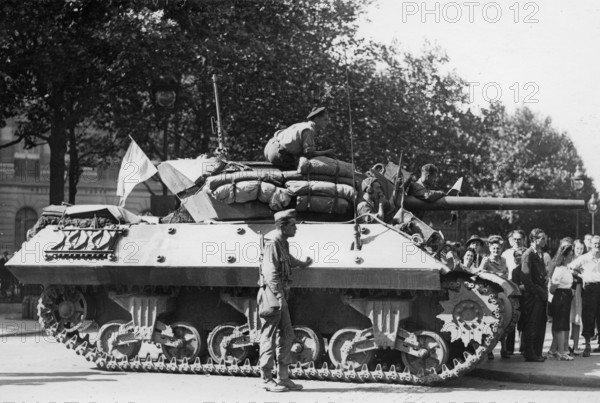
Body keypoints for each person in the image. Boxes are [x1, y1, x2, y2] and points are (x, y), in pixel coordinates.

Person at [257, 209, 312, 392]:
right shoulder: (272, 244)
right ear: (283, 226)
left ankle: (283, 377)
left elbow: (288, 260)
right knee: (269, 338)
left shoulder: (283, 244)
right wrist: (280, 297)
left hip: (280, 296)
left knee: (287, 337)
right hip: (272, 296)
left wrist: (303, 264)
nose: (296, 228)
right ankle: (266, 379)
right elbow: (270, 272)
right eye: (293, 225)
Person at [264, 107, 336, 169]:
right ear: (317, 119)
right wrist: (326, 153)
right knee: (302, 170)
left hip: (269, 148)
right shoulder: (309, 130)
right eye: (325, 119)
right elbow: (309, 154)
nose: (328, 122)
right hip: (278, 153)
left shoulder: (301, 125)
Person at [567, 234, 600, 357]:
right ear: (590, 245)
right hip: (590, 288)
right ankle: (587, 345)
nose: (597, 245)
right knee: (588, 317)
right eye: (595, 243)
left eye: (599, 243)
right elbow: (570, 267)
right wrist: (582, 276)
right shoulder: (585, 258)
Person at [520, 228, 549, 362]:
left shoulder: (539, 254)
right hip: (534, 296)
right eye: (542, 238)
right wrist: (537, 291)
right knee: (532, 324)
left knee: (540, 325)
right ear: (534, 239)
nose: (545, 240)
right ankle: (530, 353)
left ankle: (537, 352)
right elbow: (526, 278)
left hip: (541, 295)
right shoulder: (528, 254)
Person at [478, 235, 509, 359]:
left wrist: (503, 275)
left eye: (498, 248)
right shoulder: (486, 260)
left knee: (505, 319)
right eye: (494, 248)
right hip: (490, 292)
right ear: (490, 248)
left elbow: (506, 272)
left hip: (502, 291)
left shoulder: (503, 260)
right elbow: (480, 272)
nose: (496, 251)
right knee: (491, 321)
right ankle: (489, 349)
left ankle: (504, 348)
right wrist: (495, 274)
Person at [547, 241, 575, 360]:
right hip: (560, 298)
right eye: (570, 255)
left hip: (566, 297)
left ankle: (553, 350)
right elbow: (553, 289)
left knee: (563, 324)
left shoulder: (566, 268)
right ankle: (561, 352)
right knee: (560, 325)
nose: (571, 257)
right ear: (564, 256)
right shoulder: (559, 269)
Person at [570, 239, 586, 355]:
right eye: (577, 248)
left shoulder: (585, 260)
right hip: (568, 290)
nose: (579, 251)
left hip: (579, 290)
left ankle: (576, 346)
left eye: (581, 248)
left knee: (577, 318)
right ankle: (565, 346)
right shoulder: (569, 259)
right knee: (567, 318)